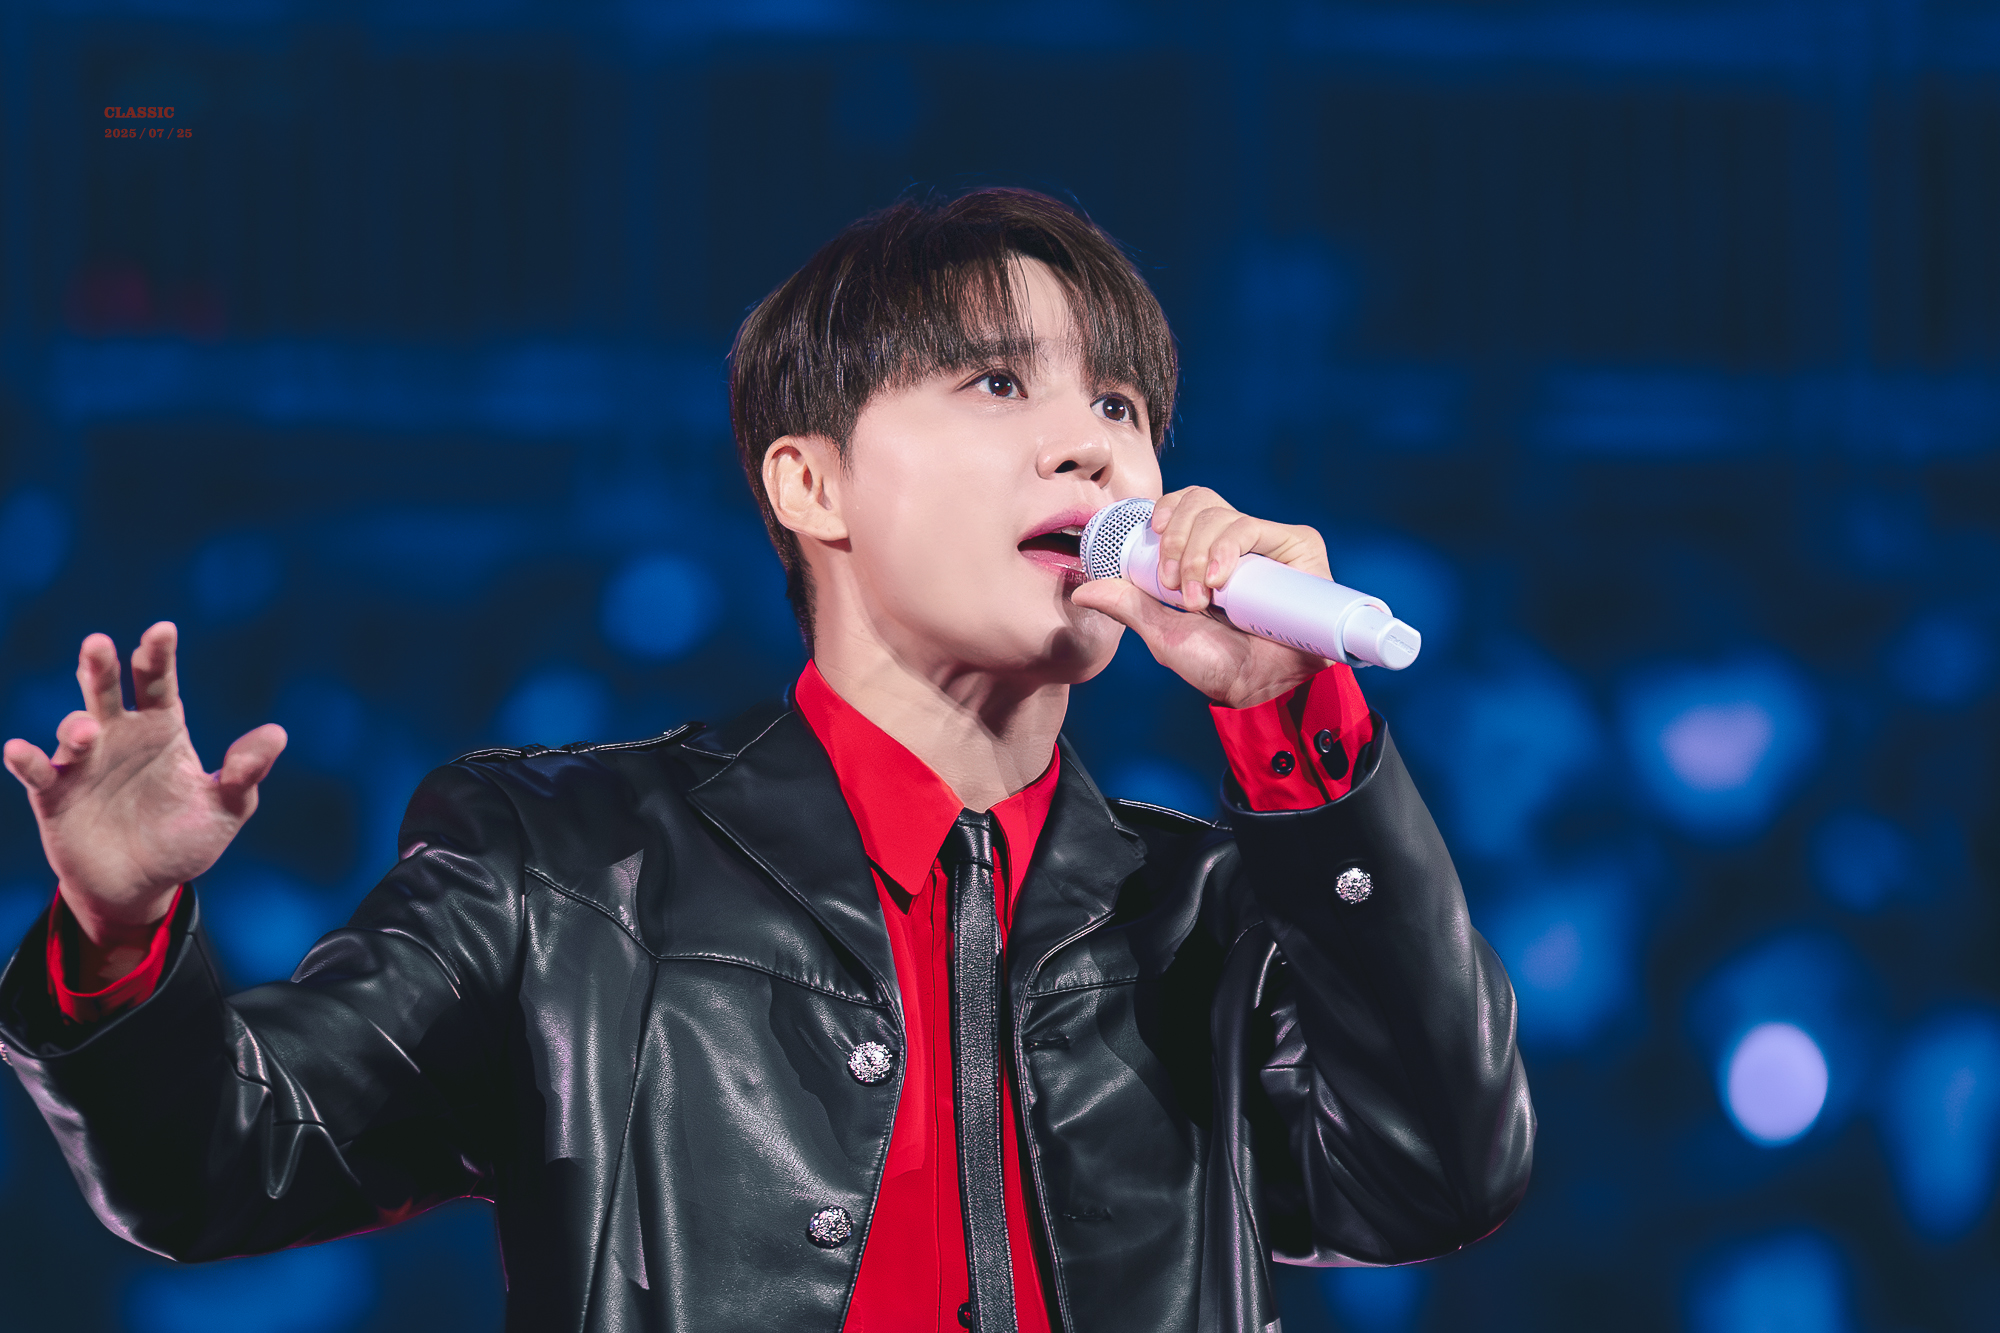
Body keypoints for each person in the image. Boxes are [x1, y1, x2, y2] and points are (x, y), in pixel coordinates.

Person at [0, 188, 1533, 1332]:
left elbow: (1439, 1177)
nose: (1090, 445)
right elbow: (219, 1163)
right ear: (811, 483)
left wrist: (1293, 728)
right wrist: (119, 932)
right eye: (1000, 383)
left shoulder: (1207, 909)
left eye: (1118, 404)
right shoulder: (569, 867)